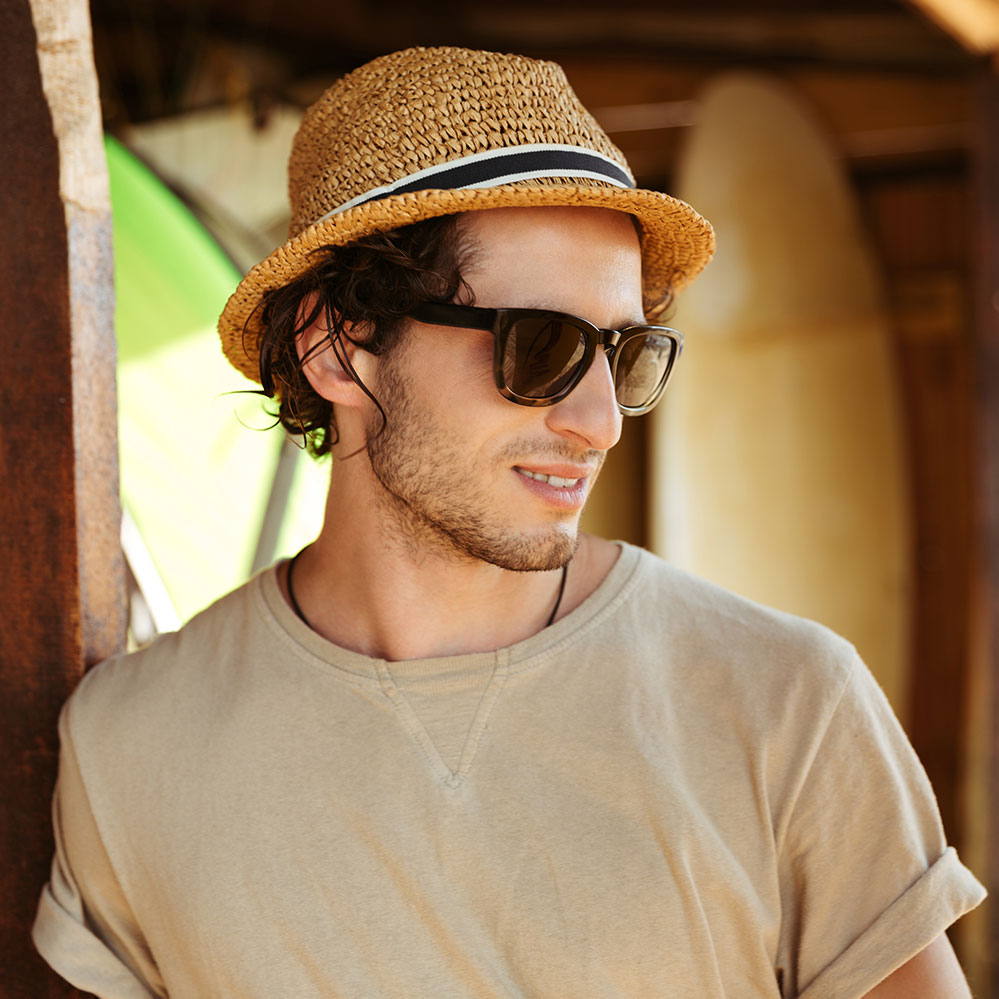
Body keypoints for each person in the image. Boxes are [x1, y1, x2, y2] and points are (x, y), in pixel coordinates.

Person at [34, 46, 984, 998]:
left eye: (625, 354)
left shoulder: (786, 705)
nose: (600, 422)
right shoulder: (130, 751)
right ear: (338, 345)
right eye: (542, 346)